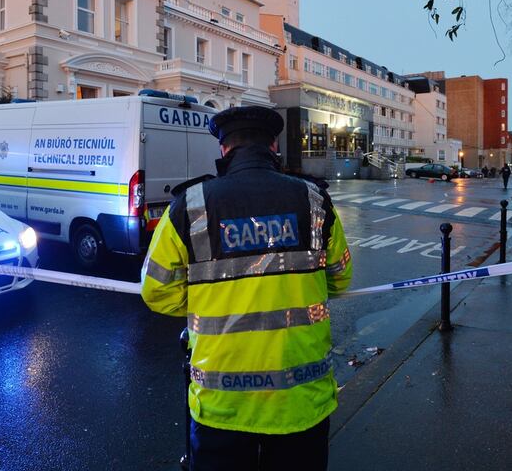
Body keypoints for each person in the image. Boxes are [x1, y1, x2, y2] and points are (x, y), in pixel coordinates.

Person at [141, 105, 353, 471]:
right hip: (301, 400)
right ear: (273, 147)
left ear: (224, 150)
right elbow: (340, 277)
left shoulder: (190, 206)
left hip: (222, 405)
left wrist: (206, 302)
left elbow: (155, 290)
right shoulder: (315, 201)